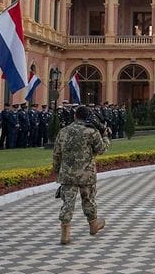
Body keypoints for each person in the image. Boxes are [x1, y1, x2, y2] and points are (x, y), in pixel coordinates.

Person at [52, 105, 109, 244]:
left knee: (68, 203)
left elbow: (57, 154)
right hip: (86, 174)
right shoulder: (91, 132)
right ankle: (93, 224)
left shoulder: (63, 131)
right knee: (88, 200)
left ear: (75, 116)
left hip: (67, 174)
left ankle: (65, 234)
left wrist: (57, 170)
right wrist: (106, 136)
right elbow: (101, 150)